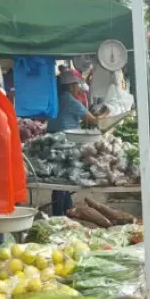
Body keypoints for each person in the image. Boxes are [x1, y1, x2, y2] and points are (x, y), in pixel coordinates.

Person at [48, 72, 98, 217]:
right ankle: (59, 214)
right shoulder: (70, 101)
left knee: (60, 179)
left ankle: (67, 210)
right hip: (64, 142)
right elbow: (93, 120)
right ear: (70, 87)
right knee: (62, 180)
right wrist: (106, 113)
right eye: (76, 85)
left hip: (52, 140)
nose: (79, 88)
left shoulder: (57, 98)